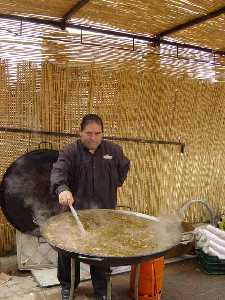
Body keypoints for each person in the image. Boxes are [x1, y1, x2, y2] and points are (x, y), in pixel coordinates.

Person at [50, 113, 130, 300]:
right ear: (80, 132)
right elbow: (58, 172)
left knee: (101, 250)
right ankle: (68, 285)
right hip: (75, 213)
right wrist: (62, 189)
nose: (93, 138)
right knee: (68, 250)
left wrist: (116, 182)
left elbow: (124, 166)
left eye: (97, 133)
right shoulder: (70, 152)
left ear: (102, 133)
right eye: (88, 133)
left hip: (104, 212)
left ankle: (101, 289)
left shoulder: (114, 150)